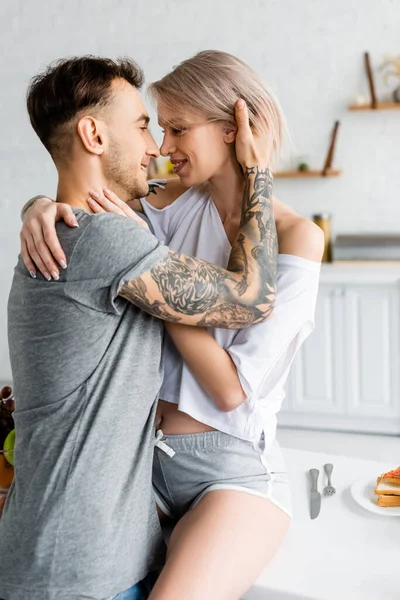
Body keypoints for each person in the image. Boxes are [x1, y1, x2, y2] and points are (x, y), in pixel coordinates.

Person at [19, 51, 324, 600]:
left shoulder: (299, 237)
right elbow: (91, 191)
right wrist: (37, 206)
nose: (161, 147)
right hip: (143, 457)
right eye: (156, 128)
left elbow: (231, 390)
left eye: (177, 128)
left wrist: (152, 279)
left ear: (234, 130)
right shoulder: (172, 196)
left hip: (224, 465)